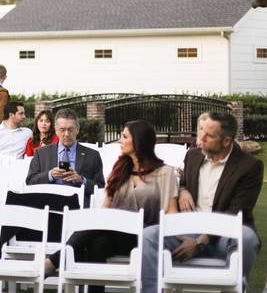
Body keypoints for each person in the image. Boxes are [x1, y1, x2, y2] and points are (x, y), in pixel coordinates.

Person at [44, 120, 178, 287]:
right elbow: (105, 210)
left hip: (146, 237)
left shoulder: (165, 173)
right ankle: (63, 266)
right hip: (119, 234)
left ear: (138, 140)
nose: (119, 141)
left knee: (97, 231)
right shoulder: (119, 170)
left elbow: (171, 214)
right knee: (97, 242)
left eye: (124, 136)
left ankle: (54, 261)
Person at [141, 112, 263, 293]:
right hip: (188, 229)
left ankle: (235, 288)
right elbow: (182, 182)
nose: (201, 139)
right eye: (201, 132)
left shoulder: (249, 166)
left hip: (224, 235)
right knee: (149, 235)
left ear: (227, 141)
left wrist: (200, 242)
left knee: (247, 237)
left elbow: (237, 212)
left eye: (209, 136)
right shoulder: (193, 155)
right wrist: (182, 191)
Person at [26, 108, 105, 205]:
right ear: (56, 130)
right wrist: (50, 175)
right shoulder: (41, 153)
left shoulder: (93, 155)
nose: (67, 134)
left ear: (77, 129)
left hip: (78, 206)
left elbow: (101, 188)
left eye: (70, 130)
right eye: (62, 130)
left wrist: (81, 180)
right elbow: (29, 182)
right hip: (48, 204)